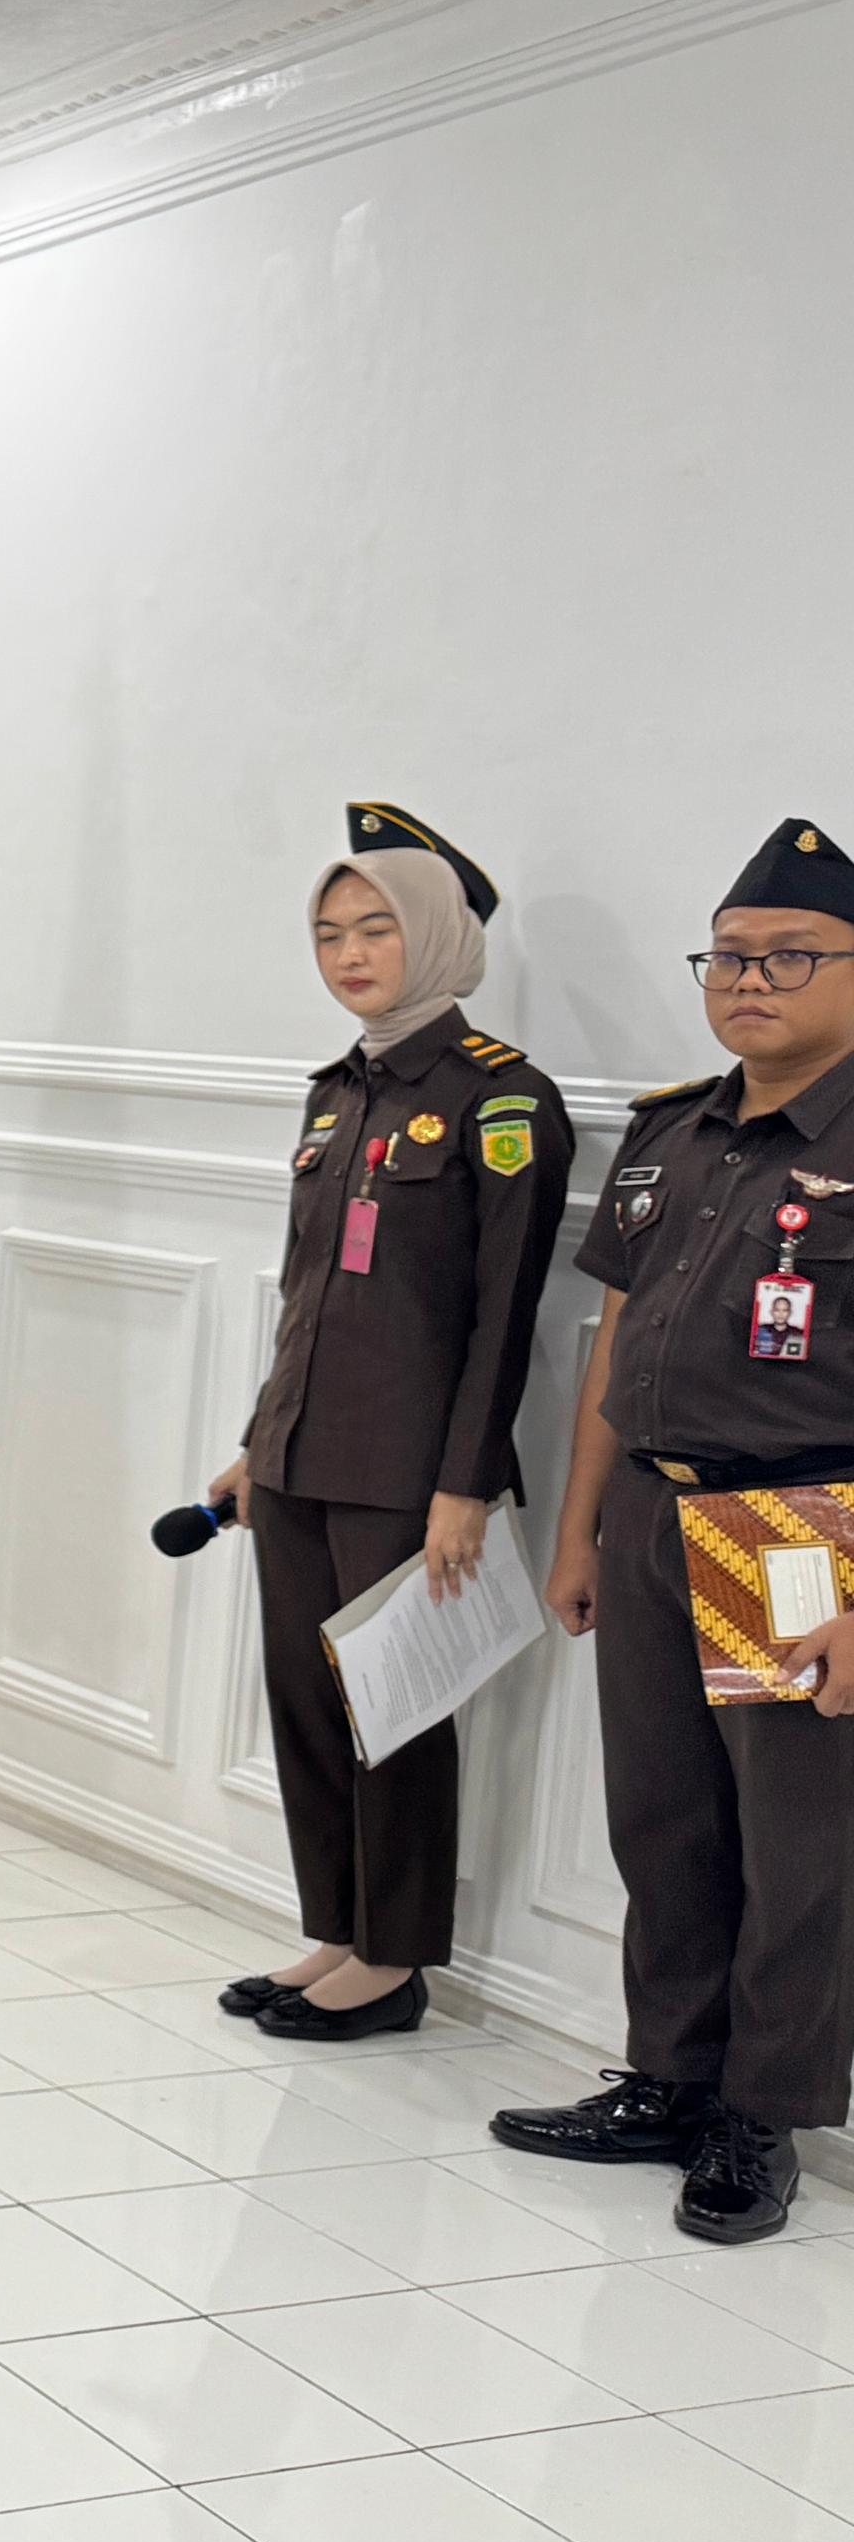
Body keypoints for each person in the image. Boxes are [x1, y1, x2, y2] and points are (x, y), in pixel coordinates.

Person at [503, 815, 854, 2243]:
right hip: (651, 1510)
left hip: (801, 1524)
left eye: (789, 957)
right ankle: (668, 2076)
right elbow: (614, 1342)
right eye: (727, 956)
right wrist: (582, 1529)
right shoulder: (674, 1132)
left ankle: (758, 2118)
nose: (748, 980)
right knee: (664, 1821)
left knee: (797, 1843)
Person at [202, 806, 570, 2041]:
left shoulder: (500, 1099)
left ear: (437, 938)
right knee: (305, 1699)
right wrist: (261, 1440)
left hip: (409, 1472)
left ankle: (396, 1957)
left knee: (391, 1708)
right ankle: (337, 1930)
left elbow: (500, 1315)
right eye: (325, 933)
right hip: (304, 1452)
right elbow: (306, 1292)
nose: (348, 954)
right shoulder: (332, 1096)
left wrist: (464, 1482)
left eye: (374, 929)